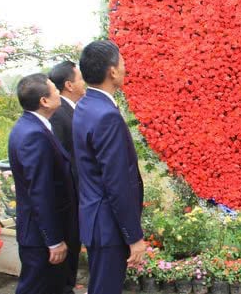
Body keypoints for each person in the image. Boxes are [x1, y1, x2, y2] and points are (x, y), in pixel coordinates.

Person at [72, 40, 145, 294]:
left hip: (96, 219)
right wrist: (134, 236)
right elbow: (116, 182)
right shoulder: (106, 115)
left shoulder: (85, 105)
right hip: (108, 225)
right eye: (122, 62)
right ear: (112, 71)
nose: (125, 68)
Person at [8, 74, 77, 294]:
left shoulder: (35, 127)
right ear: (44, 101)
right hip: (40, 238)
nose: (59, 92)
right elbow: (40, 191)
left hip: (44, 232)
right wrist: (54, 240)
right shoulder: (33, 135)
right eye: (54, 90)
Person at [48, 60, 86, 294]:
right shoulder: (59, 116)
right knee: (64, 264)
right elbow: (60, 165)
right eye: (80, 78)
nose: (85, 82)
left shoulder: (72, 110)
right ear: (69, 85)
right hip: (67, 201)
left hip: (76, 199)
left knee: (72, 254)